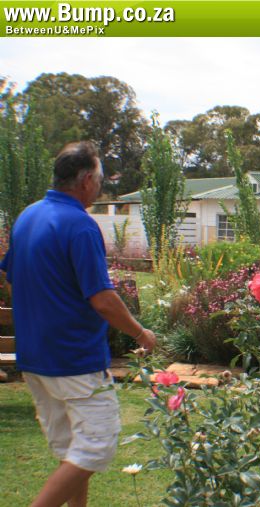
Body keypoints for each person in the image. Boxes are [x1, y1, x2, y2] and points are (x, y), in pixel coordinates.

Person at [0, 141, 156, 507]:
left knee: (72, 448)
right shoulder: (81, 226)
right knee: (97, 445)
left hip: (35, 358)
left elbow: (11, 279)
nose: (100, 186)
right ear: (86, 180)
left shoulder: (28, 216)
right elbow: (102, 298)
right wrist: (141, 333)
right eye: (100, 178)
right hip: (74, 360)